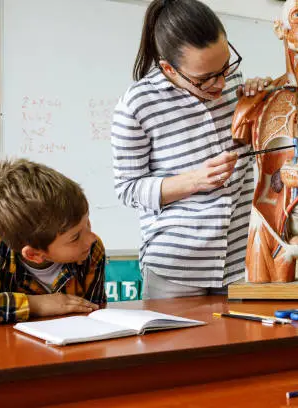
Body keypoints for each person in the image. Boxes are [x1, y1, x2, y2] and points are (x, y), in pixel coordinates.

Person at [112, 0, 269, 299]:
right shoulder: (137, 105)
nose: (221, 83)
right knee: (180, 346)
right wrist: (195, 180)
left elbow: (262, 142)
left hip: (241, 258)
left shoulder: (232, 82)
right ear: (169, 68)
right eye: (205, 79)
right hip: (176, 266)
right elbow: (128, 189)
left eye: (225, 67)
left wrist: (260, 102)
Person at [0, 159, 105, 327]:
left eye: (87, 222)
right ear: (34, 254)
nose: (91, 237)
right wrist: (36, 305)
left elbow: (94, 316)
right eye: (75, 237)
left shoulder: (91, 250)